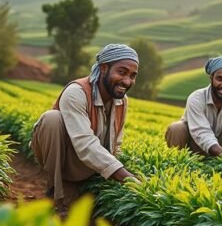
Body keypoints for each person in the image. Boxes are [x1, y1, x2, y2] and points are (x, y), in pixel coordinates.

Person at [31, 44, 141, 202]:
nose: (127, 81)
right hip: (66, 157)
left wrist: (130, 172)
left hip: (90, 164)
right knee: (52, 119)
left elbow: (116, 142)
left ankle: (88, 188)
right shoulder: (77, 92)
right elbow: (84, 143)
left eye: (132, 76)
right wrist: (127, 177)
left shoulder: (122, 101)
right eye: (122, 72)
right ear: (104, 68)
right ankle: (56, 192)